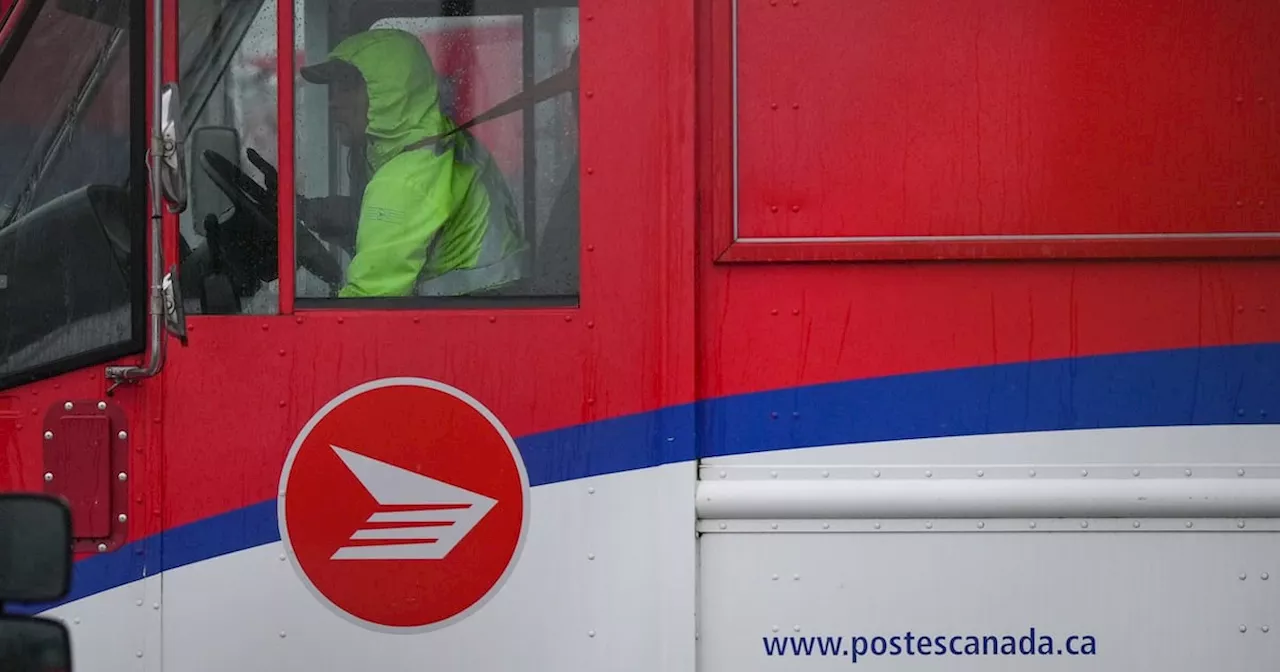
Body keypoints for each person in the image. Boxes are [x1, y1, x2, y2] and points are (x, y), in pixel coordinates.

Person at [298, 28, 526, 298]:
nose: (333, 102)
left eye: (348, 87)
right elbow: (401, 223)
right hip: (497, 309)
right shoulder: (441, 139)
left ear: (391, 93)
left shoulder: (403, 180)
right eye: (333, 90)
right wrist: (308, 210)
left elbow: (362, 309)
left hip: (461, 329)